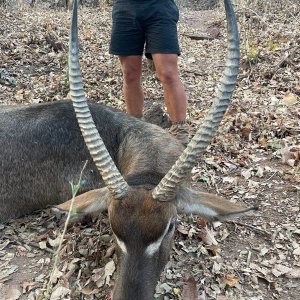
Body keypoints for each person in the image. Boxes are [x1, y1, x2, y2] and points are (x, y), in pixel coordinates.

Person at [109, 0, 189, 146]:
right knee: (130, 74)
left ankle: (180, 131)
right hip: (125, 9)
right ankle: (136, 129)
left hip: (160, 8)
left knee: (168, 73)